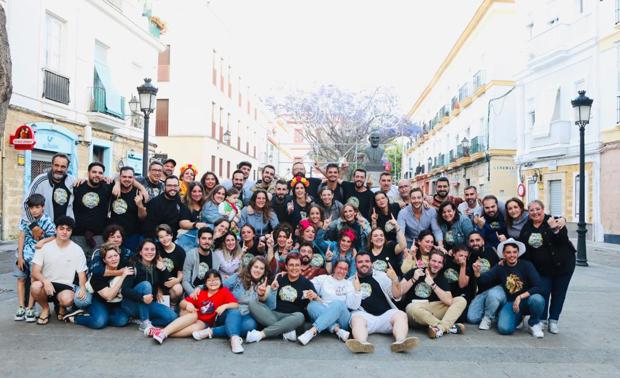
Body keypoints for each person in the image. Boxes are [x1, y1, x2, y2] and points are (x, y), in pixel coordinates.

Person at [148, 270, 243, 353]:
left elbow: (235, 304)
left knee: (196, 328)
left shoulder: (224, 291)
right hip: (194, 316)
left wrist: (225, 305)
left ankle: (162, 332)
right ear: (205, 283)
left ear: (221, 281)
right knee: (194, 315)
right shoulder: (201, 293)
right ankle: (163, 333)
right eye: (209, 280)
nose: (213, 282)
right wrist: (187, 304)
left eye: (216, 280)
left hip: (206, 323)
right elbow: (182, 303)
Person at [519, 200, 575, 334]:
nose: (535, 212)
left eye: (538, 209)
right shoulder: (527, 227)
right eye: (531, 210)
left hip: (563, 267)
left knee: (559, 294)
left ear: (543, 209)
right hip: (541, 270)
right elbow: (523, 248)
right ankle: (542, 319)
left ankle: (554, 320)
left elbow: (562, 241)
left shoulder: (555, 222)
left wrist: (555, 228)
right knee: (543, 292)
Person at [345, 252, 418, 353]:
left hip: (385, 317)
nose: (364, 264)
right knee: (356, 319)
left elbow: (396, 295)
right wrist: (357, 291)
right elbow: (352, 306)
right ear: (356, 264)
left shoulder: (381, 276)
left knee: (401, 315)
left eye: (367, 261)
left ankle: (400, 342)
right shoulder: (349, 282)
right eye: (360, 262)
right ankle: (362, 344)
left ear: (371, 263)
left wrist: (394, 279)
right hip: (365, 318)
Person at [473, 238, 546, 338]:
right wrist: (477, 272)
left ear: (518, 253)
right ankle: (518, 318)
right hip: (512, 304)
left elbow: (539, 286)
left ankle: (533, 323)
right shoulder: (500, 267)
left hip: (527, 299)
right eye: (508, 252)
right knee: (504, 329)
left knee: (538, 299)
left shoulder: (527, 265)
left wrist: (520, 297)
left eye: (514, 252)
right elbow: (484, 280)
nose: (512, 255)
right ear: (503, 254)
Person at [30, 216, 88, 325]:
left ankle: (61, 306)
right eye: (61, 228)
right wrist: (45, 281)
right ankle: (45, 309)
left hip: (65, 285)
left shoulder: (77, 249)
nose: (64, 232)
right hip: (46, 284)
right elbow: (35, 271)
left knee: (68, 299)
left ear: (71, 232)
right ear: (56, 229)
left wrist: (83, 288)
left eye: (68, 229)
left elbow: (82, 274)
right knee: (35, 286)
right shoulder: (44, 247)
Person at [64, 242, 132, 329]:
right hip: (99, 301)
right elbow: (109, 296)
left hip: (115, 304)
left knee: (122, 320)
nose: (114, 259)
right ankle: (76, 317)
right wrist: (122, 276)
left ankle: (102, 316)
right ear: (104, 260)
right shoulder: (98, 274)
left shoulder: (122, 266)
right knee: (99, 322)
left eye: (116, 255)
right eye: (110, 257)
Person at [245, 253, 310, 343]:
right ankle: (285, 331)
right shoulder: (279, 277)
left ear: (300, 267)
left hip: (292, 318)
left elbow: (316, 299)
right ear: (286, 267)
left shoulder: (307, 283)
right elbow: (267, 299)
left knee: (300, 316)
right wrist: (270, 290)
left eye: (297, 265)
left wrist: (315, 297)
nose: (294, 268)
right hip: (273, 314)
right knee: (252, 303)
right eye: (291, 265)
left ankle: (261, 334)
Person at [403, 250, 467, 339]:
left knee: (460, 300)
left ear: (442, 265)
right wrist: (413, 278)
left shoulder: (442, 278)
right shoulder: (415, 272)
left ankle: (440, 328)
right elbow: (399, 292)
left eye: (439, 262)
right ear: (428, 261)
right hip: (415, 312)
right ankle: (448, 327)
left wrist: (433, 284)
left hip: (432, 310)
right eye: (434, 261)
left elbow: (449, 301)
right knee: (411, 308)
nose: (436, 265)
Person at [297, 259, 361, 345]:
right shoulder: (324, 279)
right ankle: (337, 330)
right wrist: (287, 275)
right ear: (335, 268)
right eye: (340, 267)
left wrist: (357, 291)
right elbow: (306, 284)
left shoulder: (349, 284)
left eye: (345, 269)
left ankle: (312, 331)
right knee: (311, 306)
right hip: (323, 312)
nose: (342, 271)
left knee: (337, 303)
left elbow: (354, 306)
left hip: (342, 319)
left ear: (347, 271)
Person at [14, 194, 55, 322]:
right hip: (23, 255)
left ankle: (31, 308)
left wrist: (43, 241)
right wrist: (20, 256)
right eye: (32, 208)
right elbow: (21, 236)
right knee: (21, 279)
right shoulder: (26, 219)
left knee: (33, 281)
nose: (34, 210)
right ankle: (21, 307)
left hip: (37, 258)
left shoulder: (47, 221)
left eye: (37, 207)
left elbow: (54, 236)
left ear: (43, 207)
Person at [121, 239, 177, 332]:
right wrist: (142, 298)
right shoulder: (133, 266)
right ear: (140, 252)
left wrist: (163, 268)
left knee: (172, 317)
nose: (149, 252)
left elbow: (167, 283)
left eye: (152, 249)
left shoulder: (157, 266)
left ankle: (141, 321)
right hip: (131, 304)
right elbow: (125, 290)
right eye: (146, 249)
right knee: (146, 285)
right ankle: (145, 322)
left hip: (147, 304)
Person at [71, 162, 113, 261]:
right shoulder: (77, 186)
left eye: (100, 173)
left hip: (98, 236)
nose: (97, 175)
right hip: (78, 235)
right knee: (78, 265)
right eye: (94, 172)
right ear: (88, 173)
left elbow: (122, 177)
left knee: (96, 264)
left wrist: (116, 182)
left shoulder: (107, 188)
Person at [23, 153, 76, 226]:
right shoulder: (40, 180)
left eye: (63, 166)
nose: (59, 169)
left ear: (67, 168)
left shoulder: (72, 181)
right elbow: (26, 203)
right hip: (44, 229)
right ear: (52, 165)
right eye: (56, 165)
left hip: (64, 230)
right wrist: (33, 225)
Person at [466, 231, 505, 330]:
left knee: (493, 294)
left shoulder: (493, 250)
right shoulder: (468, 257)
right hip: (482, 292)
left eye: (478, 240)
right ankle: (494, 311)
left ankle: (490, 316)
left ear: (483, 241)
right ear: (468, 243)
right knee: (472, 318)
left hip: (497, 289)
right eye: (472, 241)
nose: (475, 243)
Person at [109, 166, 146, 252]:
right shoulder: (113, 189)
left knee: (131, 261)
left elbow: (143, 217)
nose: (127, 179)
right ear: (120, 177)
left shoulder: (138, 192)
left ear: (134, 178)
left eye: (130, 177)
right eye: (124, 177)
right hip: (114, 235)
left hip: (132, 236)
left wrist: (140, 205)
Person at [143, 175, 187, 240]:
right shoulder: (154, 203)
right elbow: (149, 228)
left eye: (175, 186)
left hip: (177, 239)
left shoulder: (181, 201)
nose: (172, 188)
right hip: (160, 239)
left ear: (178, 187)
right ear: (164, 187)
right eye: (169, 185)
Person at [181, 227, 221, 296]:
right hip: (192, 291)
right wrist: (194, 294)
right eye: (204, 238)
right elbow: (185, 281)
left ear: (212, 241)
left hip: (209, 292)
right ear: (198, 240)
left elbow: (214, 281)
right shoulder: (191, 255)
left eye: (209, 239)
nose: (207, 241)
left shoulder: (216, 259)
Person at [156, 224, 186, 308]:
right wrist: (158, 289)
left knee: (178, 289)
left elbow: (181, 271)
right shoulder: (156, 248)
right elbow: (154, 271)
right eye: (161, 237)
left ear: (172, 235)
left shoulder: (180, 251)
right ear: (158, 239)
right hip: (158, 281)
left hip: (171, 281)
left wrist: (177, 280)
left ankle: (173, 304)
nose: (165, 239)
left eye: (167, 235)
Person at [176, 182, 209, 252]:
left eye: (200, 191)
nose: (197, 194)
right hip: (188, 241)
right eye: (194, 191)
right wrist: (195, 224)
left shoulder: (205, 205)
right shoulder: (185, 205)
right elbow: (182, 223)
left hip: (204, 241)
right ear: (189, 193)